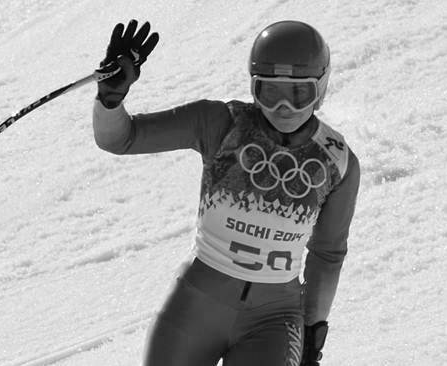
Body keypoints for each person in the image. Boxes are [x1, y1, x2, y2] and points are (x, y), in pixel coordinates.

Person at [93, 19, 360, 366]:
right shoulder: (221, 124)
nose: (284, 109)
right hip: (195, 309)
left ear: (320, 89)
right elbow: (120, 139)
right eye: (270, 92)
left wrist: (313, 331)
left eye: (298, 94)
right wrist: (111, 99)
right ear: (253, 88)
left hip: (274, 321)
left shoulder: (337, 162)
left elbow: (327, 254)